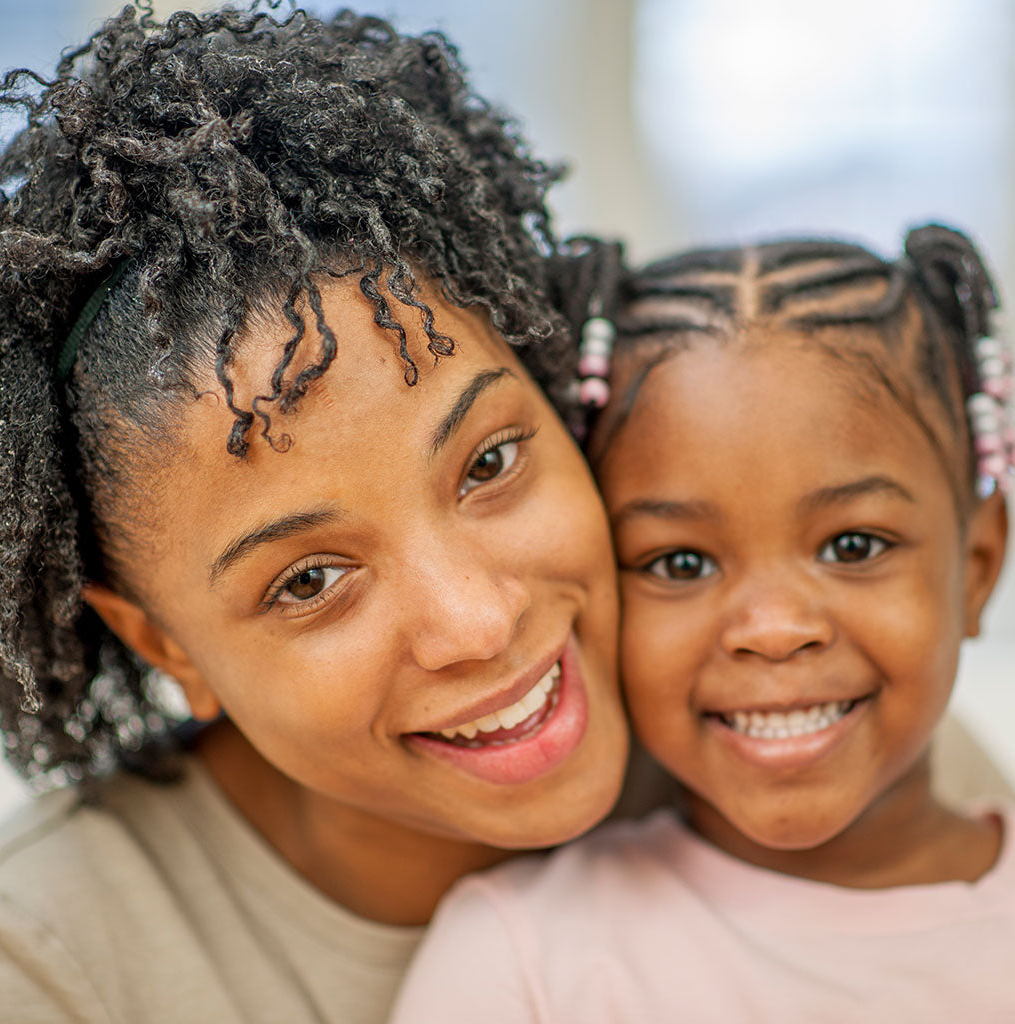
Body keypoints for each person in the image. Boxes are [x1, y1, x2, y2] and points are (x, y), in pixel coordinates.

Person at [0, 5, 630, 1022]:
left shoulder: (796, 740)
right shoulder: (47, 972)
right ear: (165, 646)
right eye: (310, 580)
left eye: (490, 462)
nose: (478, 622)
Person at [390, 224, 1015, 1022]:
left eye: (853, 546)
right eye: (680, 564)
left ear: (978, 568)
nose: (774, 629)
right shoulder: (524, 955)